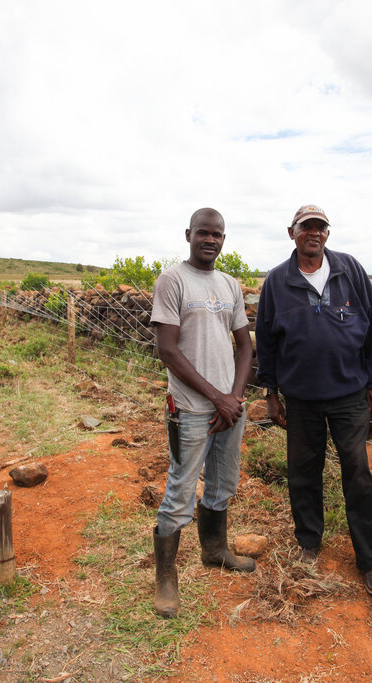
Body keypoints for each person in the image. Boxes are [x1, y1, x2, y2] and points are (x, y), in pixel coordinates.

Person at [255, 204, 372, 594]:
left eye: (320, 228)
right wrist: (271, 392)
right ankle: (309, 543)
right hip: (300, 397)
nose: (313, 233)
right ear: (291, 232)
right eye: (305, 228)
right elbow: (266, 340)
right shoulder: (278, 281)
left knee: (358, 475)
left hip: (349, 395)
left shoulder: (350, 270)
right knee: (303, 472)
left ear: (327, 234)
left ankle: (369, 561)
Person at [150, 207, 256, 618]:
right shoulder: (173, 280)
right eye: (204, 233)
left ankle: (215, 551)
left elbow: (245, 346)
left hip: (229, 406)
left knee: (223, 483)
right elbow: (167, 350)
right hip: (193, 408)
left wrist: (234, 397)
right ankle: (165, 579)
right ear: (189, 234)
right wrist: (217, 398)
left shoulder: (229, 284)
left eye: (218, 235)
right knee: (180, 490)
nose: (211, 240)